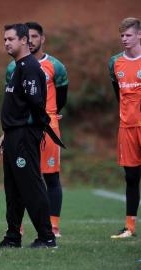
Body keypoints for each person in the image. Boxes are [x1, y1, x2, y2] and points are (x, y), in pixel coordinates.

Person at [4, 22, 69, 237]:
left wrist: (41, 121)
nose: (6, 43)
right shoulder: (15, 67)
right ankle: (14, 234)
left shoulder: (37, 67)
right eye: (4, 39)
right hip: (15, 132)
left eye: (10, 39)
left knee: (36, 181)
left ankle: (48, 233)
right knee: (14, 185)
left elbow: (38, 101)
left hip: (28, 132)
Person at [109, 17, 141, 239]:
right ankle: (130, 227)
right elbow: (117, 93)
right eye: (122, 35)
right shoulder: (115, 63)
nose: (124, 39)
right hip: (127, 127)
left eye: (128, 35)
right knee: (131, 177)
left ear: (139, 35)